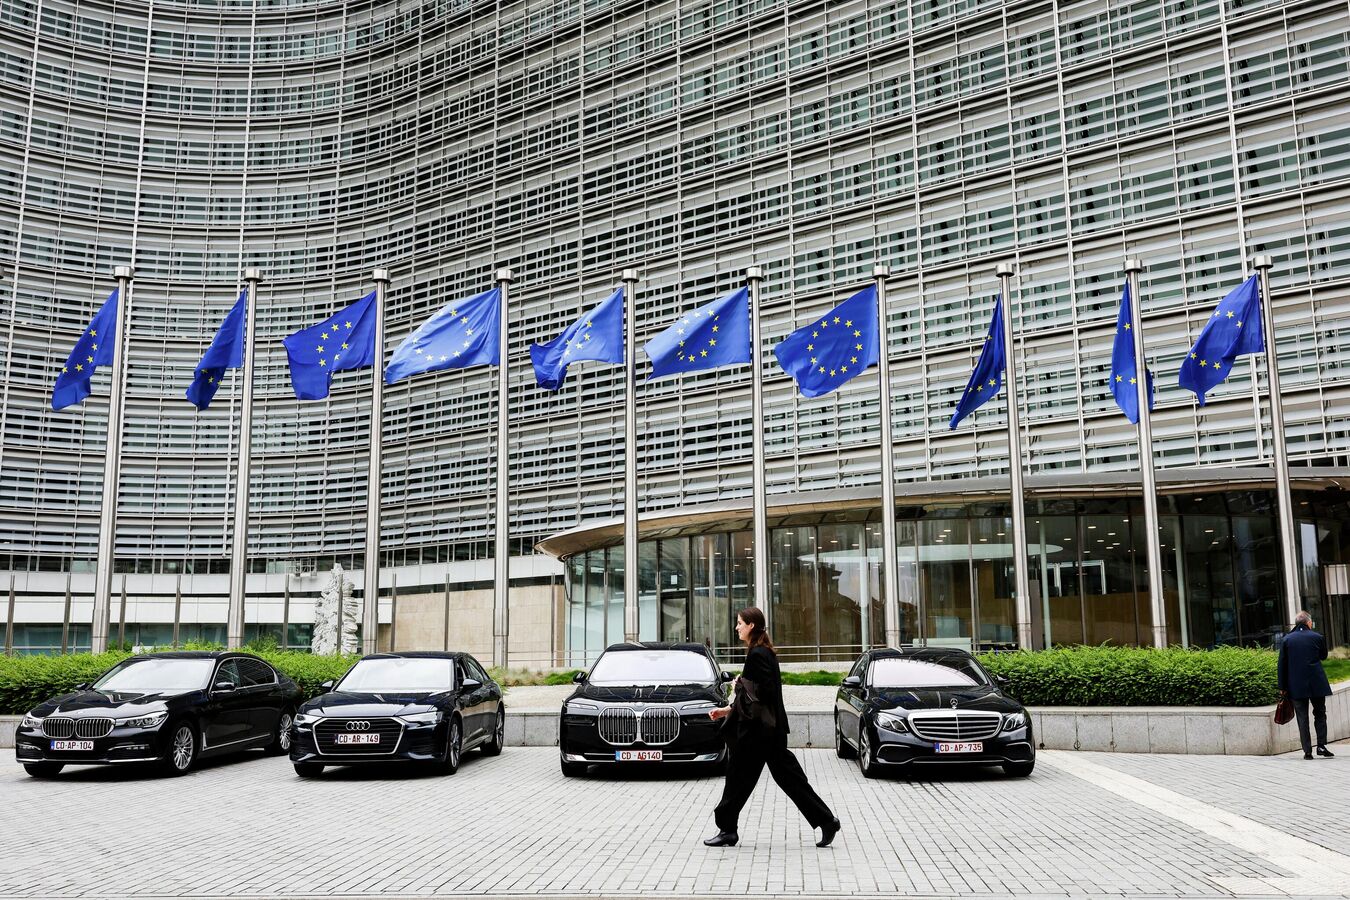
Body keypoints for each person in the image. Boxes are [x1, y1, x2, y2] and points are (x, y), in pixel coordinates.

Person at [703, 607, 840, 848]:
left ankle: (727, 830)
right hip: (770, 730)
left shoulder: (757, 654)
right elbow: (758, 696)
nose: (737, 627)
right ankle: (826, 821)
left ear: (751, 626)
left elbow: (763, 693)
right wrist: (728, 709)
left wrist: (739, 685)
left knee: (738, 777)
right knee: (789, 778)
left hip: (758, 733)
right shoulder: (764, 652)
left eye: (740, 623)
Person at [1277, 610, 1335, 760]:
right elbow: (1323, 656)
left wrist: (1282, 687)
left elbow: (1282, 665)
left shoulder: (1287, 639)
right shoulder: (1317, 637)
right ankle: (1321, 746)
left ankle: (1307, 751)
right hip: (1317, 683)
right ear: (1308, 622)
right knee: (1320, 713)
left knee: (1302, 717)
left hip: (1296, 685)